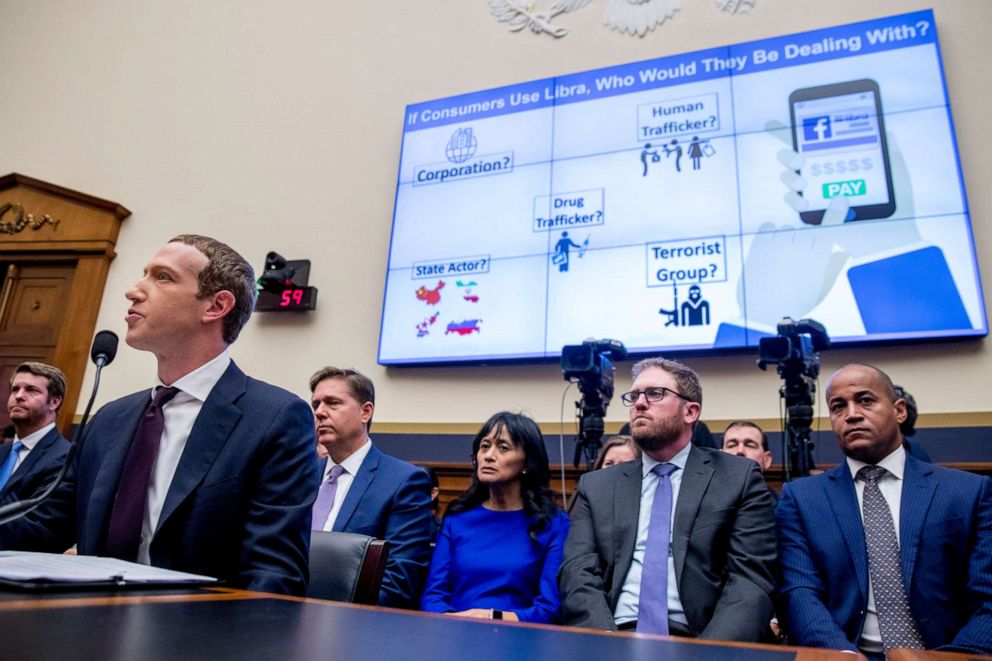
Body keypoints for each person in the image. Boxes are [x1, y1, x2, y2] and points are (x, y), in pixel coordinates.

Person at [0, 235, 319, 595]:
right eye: (144, 274)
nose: (134, 291)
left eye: (162, 277)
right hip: (87, 621)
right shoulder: (109, 419)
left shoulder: (275, 418)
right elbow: (44, 525)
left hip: (197, 634)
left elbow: (274, 575)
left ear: (216, 306)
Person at [776, 364, 992, 655]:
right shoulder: (801, 498)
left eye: (865, 400)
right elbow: (799, 592)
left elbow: (988, 597)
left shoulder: (968, 492)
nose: (851, 414)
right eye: (838, 407)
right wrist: (842, 655)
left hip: (946, 653)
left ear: (899, 411)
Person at [560, 357, 777, 640]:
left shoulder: (738, 478)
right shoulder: (598, 485)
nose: (639, 403)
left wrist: (709, 654)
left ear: (690, 411)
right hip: (613, 636)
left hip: (701, 640)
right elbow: (578, 573)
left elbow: (750, 582)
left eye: (654, 394)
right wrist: (605, 644)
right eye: (634, 396)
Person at [421, 412, 569, 623]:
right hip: (454, 635)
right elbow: (433, 596)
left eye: (503, 448)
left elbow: (549, 609)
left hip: (521, 640)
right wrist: (452, 622)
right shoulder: (457, 519)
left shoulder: (553, 524)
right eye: (484, 446)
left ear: (526, 462)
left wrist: (492, 617)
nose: (489, 456)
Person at [310, 366, 433, 608]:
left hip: (352, 624)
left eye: (332, 403)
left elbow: (399, 582)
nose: (320, 413)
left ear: (366, 412)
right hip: (282, 614)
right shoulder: (301, 475)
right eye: (316, 405)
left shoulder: (403, 481)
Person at [0, 362, 71, 506]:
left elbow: (39, 520)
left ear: (54, 402)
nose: (18, 396)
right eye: (15, 389)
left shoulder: (65, 458)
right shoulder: (3, 451)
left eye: (31, 390)